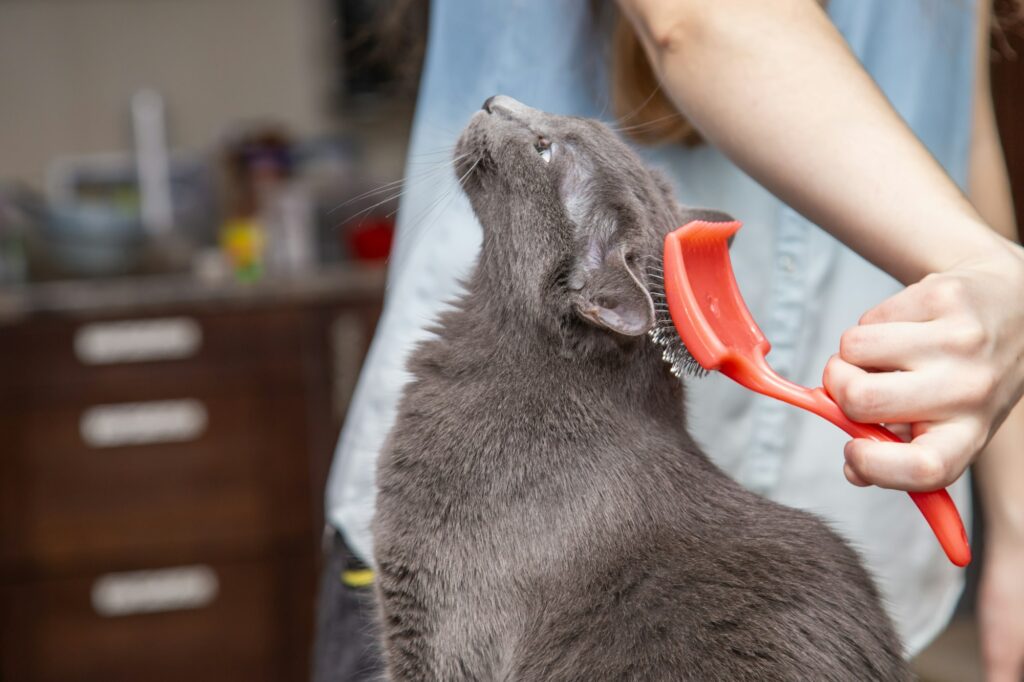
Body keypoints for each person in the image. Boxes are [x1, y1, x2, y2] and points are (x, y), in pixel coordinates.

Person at [315, 1, 1024, 680]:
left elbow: (960, 137)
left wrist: (1019, 518)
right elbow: (697, 17)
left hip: (845, 523)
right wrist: (993, 273)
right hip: (498, 446)